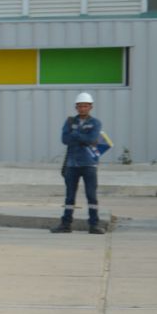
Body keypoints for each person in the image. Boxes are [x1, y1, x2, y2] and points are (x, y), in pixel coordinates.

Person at [51, 92, 106, 235]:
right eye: (80, 106)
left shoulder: (95, 123)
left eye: (85, 106)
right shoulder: (69, 122)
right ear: (76, 107)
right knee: (69, 196)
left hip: (89, 164)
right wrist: (83, 137)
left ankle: (94, 225)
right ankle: (65, 224)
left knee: (91, 196)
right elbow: (65, 140)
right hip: (72, 164)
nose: (82, 108)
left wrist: (75, 135)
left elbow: (92, 139)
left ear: (91, 107)